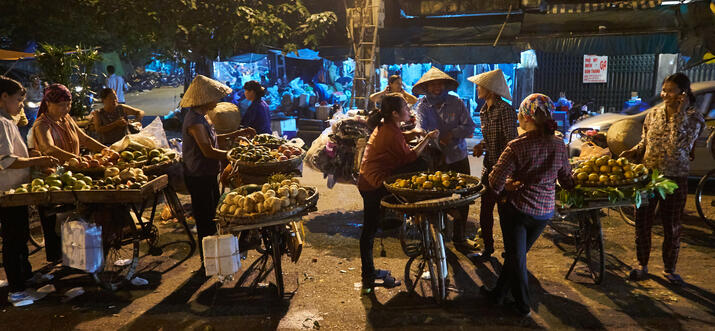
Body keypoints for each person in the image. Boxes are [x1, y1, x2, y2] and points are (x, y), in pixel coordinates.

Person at [482, 93, 575, 317]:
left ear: (525, 117)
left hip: (518, 211)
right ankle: (498, 294)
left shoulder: (516, 146)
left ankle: (522, 306)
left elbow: (494, 182)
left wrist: (507, 187)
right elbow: (566, 179)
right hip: (543, 213)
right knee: (516, 256)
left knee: (517, 258)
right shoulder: (559, 144)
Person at [620, 73, 704, 285]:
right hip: (648, 177)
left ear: (683, 93)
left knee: (672, 225)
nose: (665, 94)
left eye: (671, 90)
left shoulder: (694, 117)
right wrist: (634, 151)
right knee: (642, 223)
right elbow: (646, 142)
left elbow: (680, 144)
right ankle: (642, 265)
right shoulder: (653, 114)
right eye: (664, 89)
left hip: (675, 178)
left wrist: (679, 113)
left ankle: (669, 269)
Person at [357, 93, 438, 292]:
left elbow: (400, 137)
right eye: (405, 107)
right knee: (369, 229)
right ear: (395, 113)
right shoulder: (390, 132)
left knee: (370, 229)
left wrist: (413, 134)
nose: (408, 110)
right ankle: (368, 274)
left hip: (370, 179)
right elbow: (410, 156)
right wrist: (427, 138)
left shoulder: (390, 126)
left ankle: (369, 271)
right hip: (372, 183)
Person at [180, 75, 255, 266]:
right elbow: (208, 150)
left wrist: (238, 133)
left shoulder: (202, 117)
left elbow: (215, 140)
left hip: (207, 173)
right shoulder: (194, 121)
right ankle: (208, 262)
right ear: (205, 99)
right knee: (205, 219)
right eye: (215, 97)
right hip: (198, 175)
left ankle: (215, 258)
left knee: (213, 215)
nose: (218, 100)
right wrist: (234, 156)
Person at [32, 83, 109, 263]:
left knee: (77, 216)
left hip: (73, 173)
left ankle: (77, 257)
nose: (65, 108)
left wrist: (106, 149)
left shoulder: (67, 119)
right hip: (52, 176)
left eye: (68, 104)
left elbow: (84, 139)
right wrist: (75, 159)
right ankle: (62, 259)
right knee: (57, 221)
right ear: (48, 103)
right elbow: (48, 148)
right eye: (61, 105)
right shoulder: (41, 124)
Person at [0, 76, 60, 305]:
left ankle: (26, 276)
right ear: (4, 97)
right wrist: (37, 161)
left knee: (21, 235)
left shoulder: (8, 120)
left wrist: (31, 158)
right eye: (18, 100)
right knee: (13, 239)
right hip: (7, 191)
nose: (20, 105)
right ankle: (16, 289)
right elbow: (6, 160)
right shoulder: (1, 122)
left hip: (17, 190)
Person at [413, 67, 477, 253]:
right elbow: (420, 128)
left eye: (439, 84)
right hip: (435, 159)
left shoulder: (456, 103)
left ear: (446, 85)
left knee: (463, 197)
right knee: (436, 198)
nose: (436, 88)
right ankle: (438, 239)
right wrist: (431, 138)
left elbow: (469, 127)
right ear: (426, 88)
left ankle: (460, 238)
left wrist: (452, 134)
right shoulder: (422, 106)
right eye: (432, 85)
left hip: (458, 156)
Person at [468, 69, 518, 259]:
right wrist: (482, 145)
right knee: (485, 209)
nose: (478, 88)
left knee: (505, 212)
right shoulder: (483, 111)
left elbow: (512, 143)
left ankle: (511, 250)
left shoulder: (505, 110)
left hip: (504, 169)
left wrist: (505, 172)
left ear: (490, 90)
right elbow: (491, 139)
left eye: (481, 85)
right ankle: (487, 248)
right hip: (489, 166)